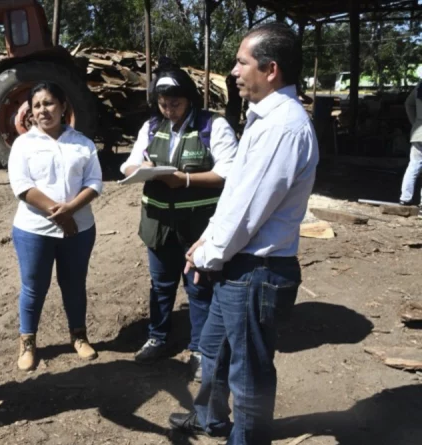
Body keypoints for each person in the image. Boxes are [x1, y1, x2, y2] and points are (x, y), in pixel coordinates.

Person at [169, 23, 319, 445]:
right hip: (239, 264)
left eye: (241, 62)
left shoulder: (282, 128)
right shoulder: (265, 119)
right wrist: (205, 244)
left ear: (271, 69)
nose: (233, 71)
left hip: (257, 271)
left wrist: (208, 255)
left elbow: (248, 213)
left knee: (249, 374)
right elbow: (235, 197)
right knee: (214, 352)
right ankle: (210, 420)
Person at [120, 68, 238, 381]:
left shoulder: (213, 126)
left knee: (198, 288)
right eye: (163, 103)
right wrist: (141, 167)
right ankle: (157, 338)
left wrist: (183, 179)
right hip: (158, 224)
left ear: (189, 99)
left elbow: (228, 172)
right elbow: (128, 163)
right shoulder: (152, 126)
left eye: (175, 103)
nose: (169, 109)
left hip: (198, 227)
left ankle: (200, 349)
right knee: (161, 286)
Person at [7, 82, 103, 372]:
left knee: (74, 284)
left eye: (48, 103)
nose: (43, 110)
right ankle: (27, 343)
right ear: (31, 113)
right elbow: (22, 187)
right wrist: (59, 214)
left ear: (63, 107)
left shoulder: (82, 143)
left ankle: (79, 335)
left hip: (80, 228)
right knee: (34, 287)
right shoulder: (23, 144)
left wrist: (72, 210)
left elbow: (95, 183)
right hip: (33, 230)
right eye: (37, 106)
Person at [399, 82, 422, 218]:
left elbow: (408, 103)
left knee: (413, 166)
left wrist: (415, 122)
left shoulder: (420, 87)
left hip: (418, 131)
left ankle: (405, 199)